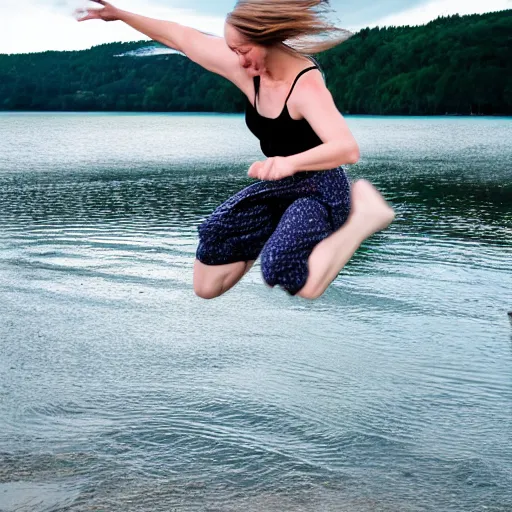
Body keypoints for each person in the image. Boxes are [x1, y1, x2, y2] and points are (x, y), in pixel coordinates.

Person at [77, 0, 395, 300]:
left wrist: (289, 162)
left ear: (268, 38)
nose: (239, 61)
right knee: (208, 277)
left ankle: (363, 218)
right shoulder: (250, 71)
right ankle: (272, 233)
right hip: (278, 188)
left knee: (289, 273)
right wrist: (120, 14)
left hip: (320, 191)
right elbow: (182, 37)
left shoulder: (305, 86)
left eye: (243, 51)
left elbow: (346, 149)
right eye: (234, 51)